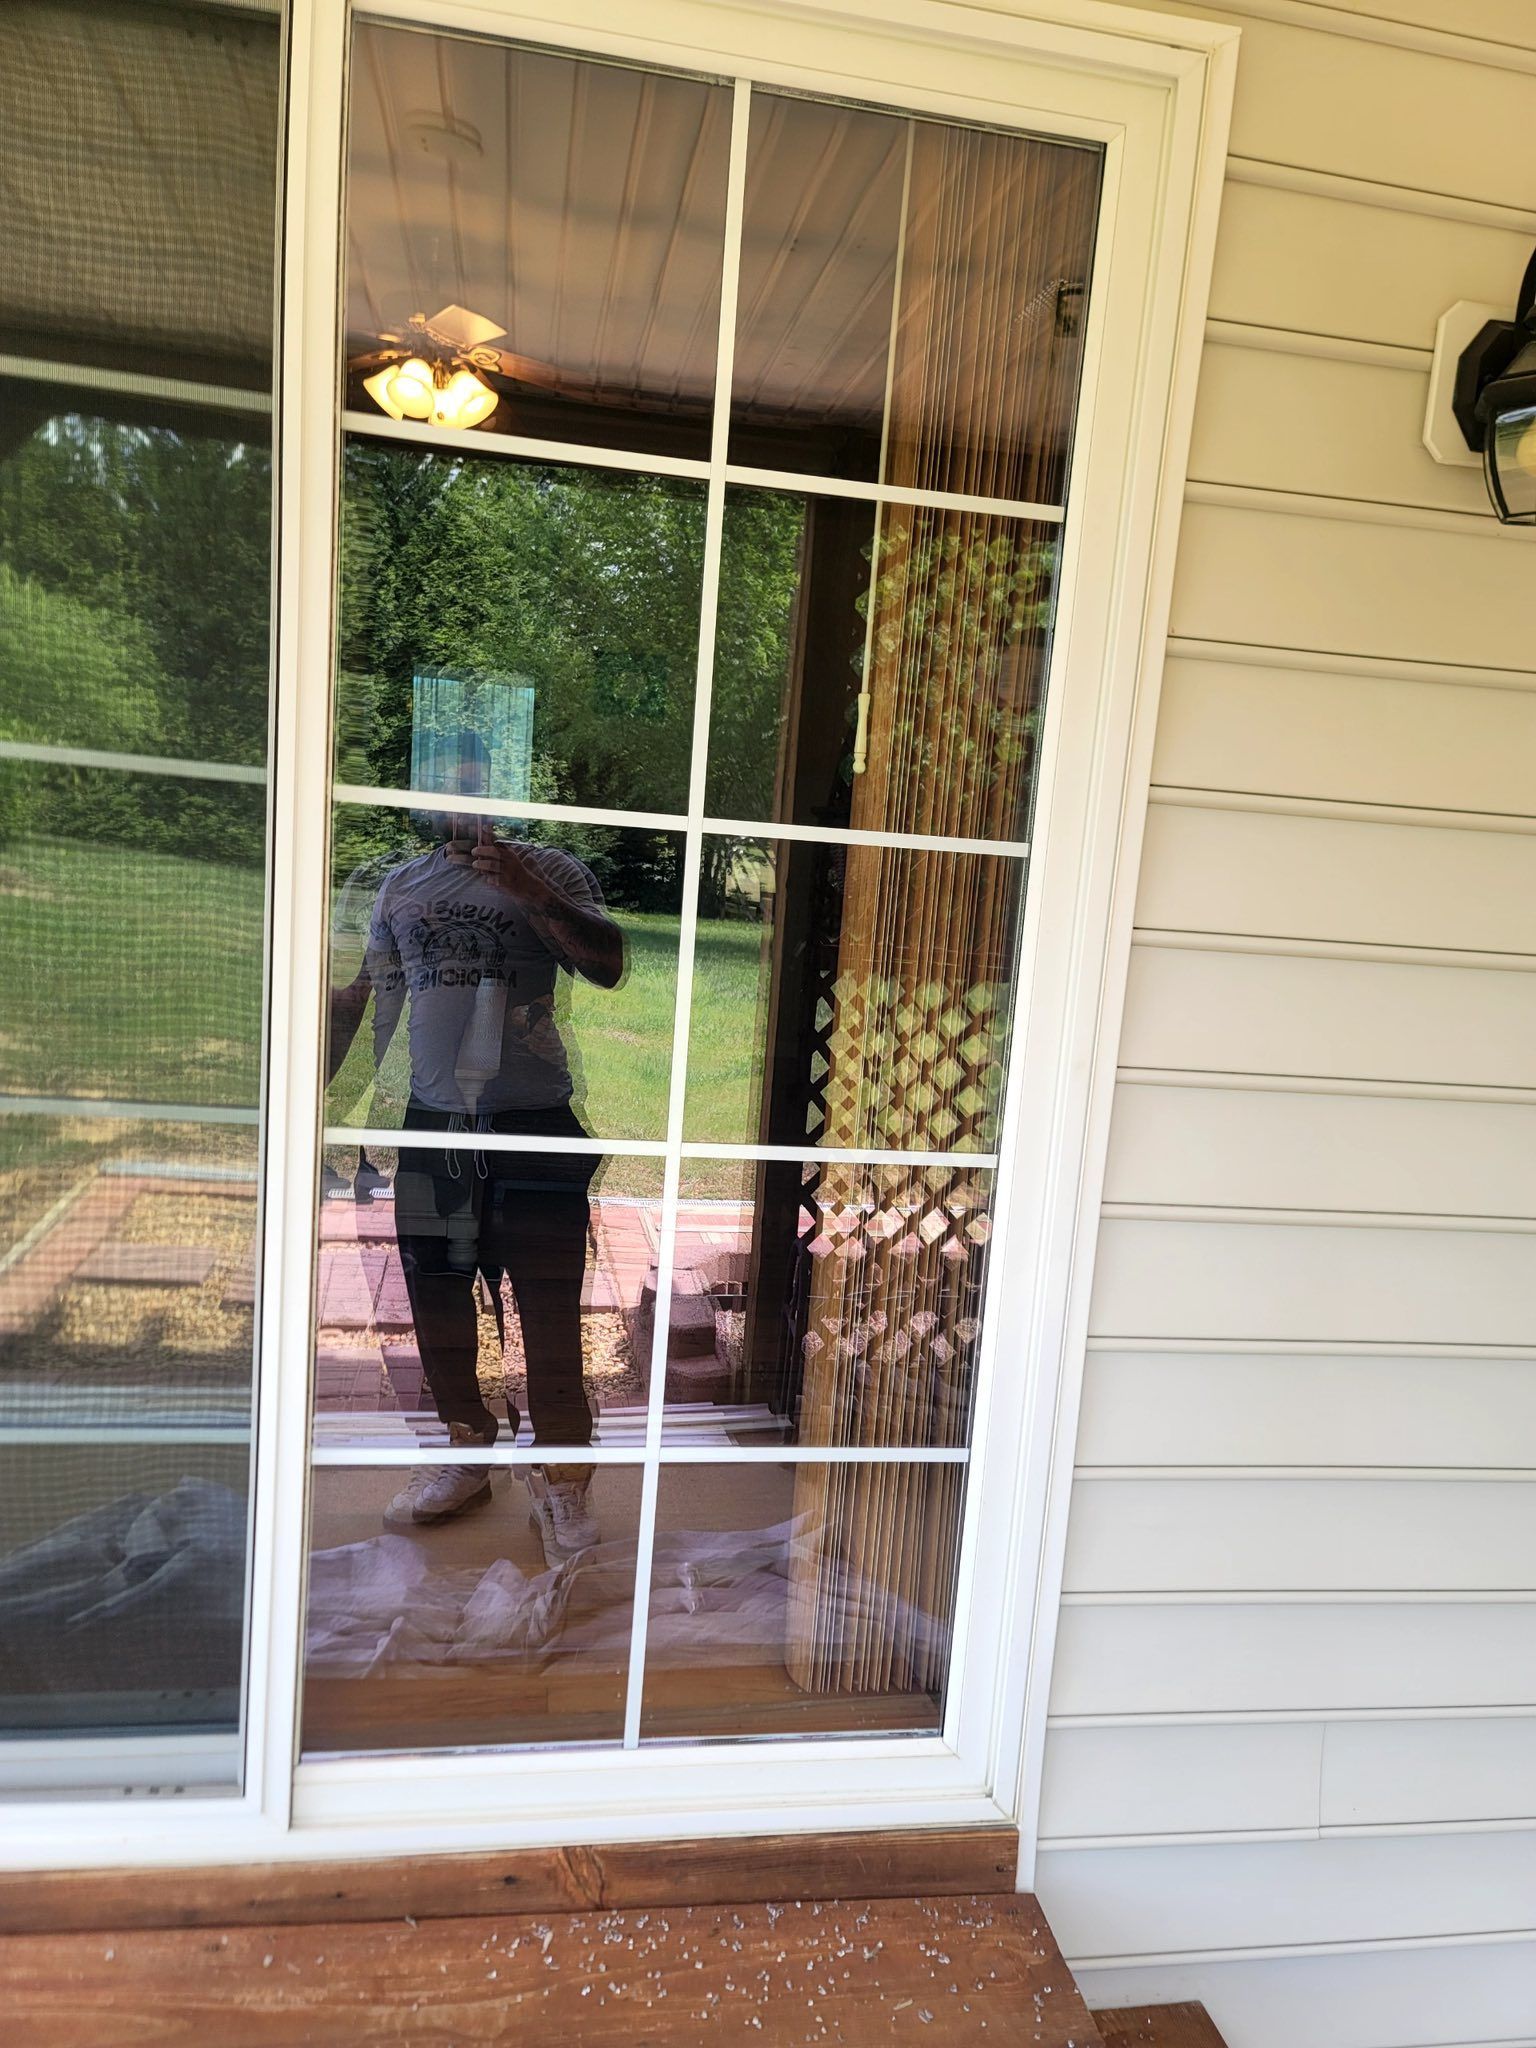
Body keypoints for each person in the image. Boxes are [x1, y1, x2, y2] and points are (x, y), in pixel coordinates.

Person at [327, 758, 623, 1567]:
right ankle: (467, 1451)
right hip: (434, 1122)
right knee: (438, 1300)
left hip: (533, 1124)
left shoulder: (553, 869)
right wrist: (308, 1095)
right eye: (448, 794)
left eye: (478, 792)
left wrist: (524, 884)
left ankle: (562, 1478)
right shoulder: (401, 886)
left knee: (549, 1306)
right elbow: (368, 994)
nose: (463, 809)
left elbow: (606, 964)